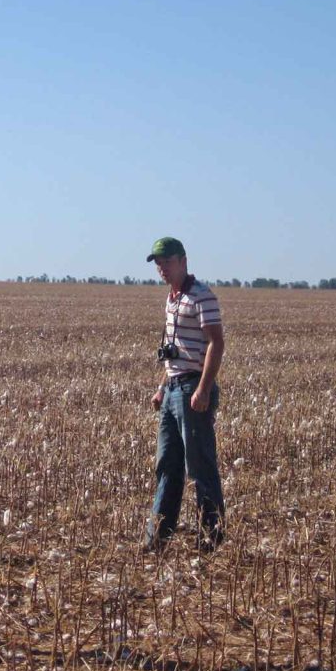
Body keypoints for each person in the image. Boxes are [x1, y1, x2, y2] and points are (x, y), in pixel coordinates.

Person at [144, 236, 226, 553]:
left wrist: (204, 388)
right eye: (158, 263)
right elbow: (175, 353)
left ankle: (212, 539)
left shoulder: (201, 296)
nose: (161, 268)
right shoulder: (172, 298)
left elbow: (215, 344)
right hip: (174, 389)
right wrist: (162, 388)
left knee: (200, 467)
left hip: (194, 389)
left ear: (183, 260)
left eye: (166, 261)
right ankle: (158, 540)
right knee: (167, 465)